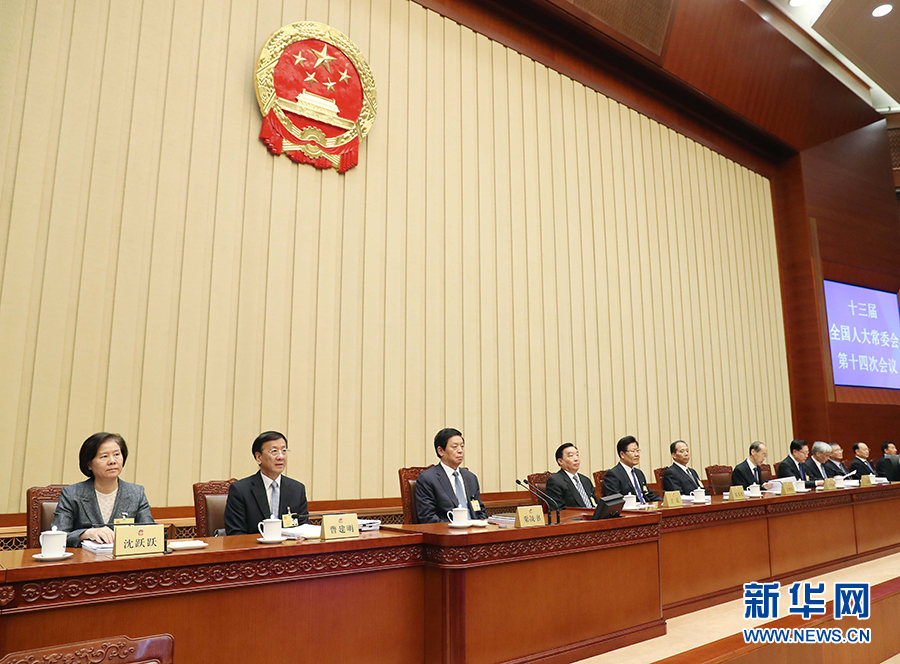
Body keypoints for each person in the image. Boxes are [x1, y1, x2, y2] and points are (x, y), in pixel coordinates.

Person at [52, 432, 153, 548]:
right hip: (85, 558)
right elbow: (57, 536)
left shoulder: (136, 493)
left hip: (124, 558)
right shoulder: (72, 494)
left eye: (116, 454)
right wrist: (85, 534)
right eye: (104, 456)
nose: (112, 461)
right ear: (89, 464)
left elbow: (150, 533)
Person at [223, 431, 309, 536]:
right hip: (254, 545)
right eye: (274, 451)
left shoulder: (297, 489)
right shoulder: (240, 490)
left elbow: (304, 528)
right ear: (259, 457)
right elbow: (235, 533)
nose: (281, 457)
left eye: (284, 451)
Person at [415, 428, 488, 523]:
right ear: (441, 451)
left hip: (475, 529)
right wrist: (454, 528)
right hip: (448, 530)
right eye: (455, 447)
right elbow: (428, 517)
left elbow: (480, 511)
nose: (460, 450)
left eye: (462, 446)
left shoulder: (470, 478)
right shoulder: (428, 479)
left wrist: (481, 524)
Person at [602, 436, 660, 503]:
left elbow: (648, 495)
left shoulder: (639, 473)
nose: (637, 454)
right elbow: (615, 501)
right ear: (622, 454)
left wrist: (664, 501)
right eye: (632, 451)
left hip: (645, 507)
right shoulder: (613, 474)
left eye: (637, 451)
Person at [545, 443, 596, 509]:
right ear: (560, 461)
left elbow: (595, 502)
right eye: (571, 456)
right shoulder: (555, 481)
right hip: (576, 515)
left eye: (577, 455)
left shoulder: (585, 480)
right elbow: (558, 510)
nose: (576, 459)